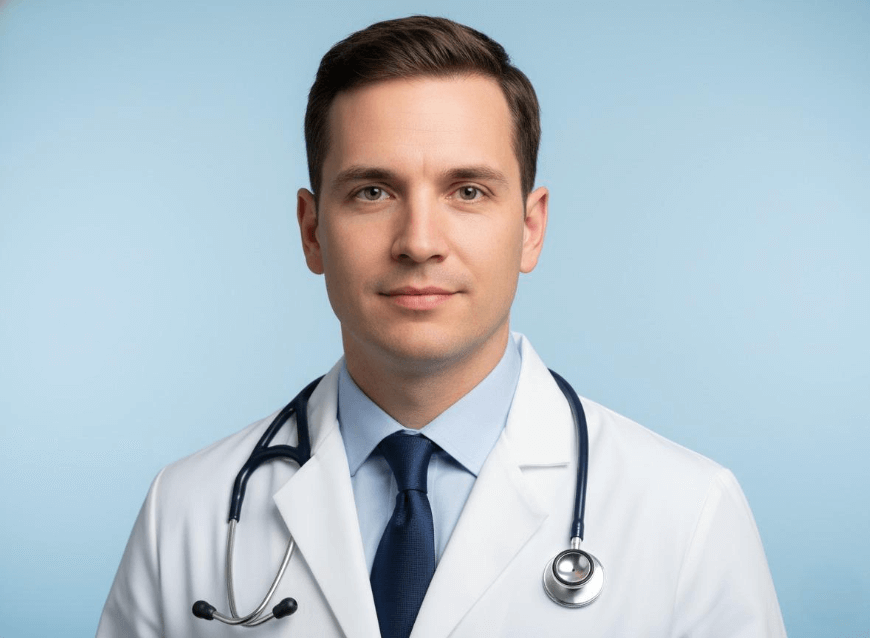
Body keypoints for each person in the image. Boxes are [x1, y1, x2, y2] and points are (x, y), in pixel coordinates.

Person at [97, 16, 787, 638]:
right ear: (312, 232)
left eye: (468, 191)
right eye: (373, 191)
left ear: (530, 228)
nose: (419, 241)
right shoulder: (185, 513)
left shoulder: (689, 514)